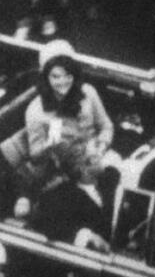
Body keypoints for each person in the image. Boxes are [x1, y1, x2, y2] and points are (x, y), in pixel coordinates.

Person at [22, 39, 115, 180]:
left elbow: (106, 126)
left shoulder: (88, 92)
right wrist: (49, 145)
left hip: (99, 157)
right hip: (66, 174)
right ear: (45, 77)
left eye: (68, 76)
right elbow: (35, 155)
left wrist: (100, 149)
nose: (62, 82)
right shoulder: (35, 111)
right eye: (55, 77)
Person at [31, 138, 123, 252]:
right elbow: (50, 224)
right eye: (94, 157)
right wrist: (87, 236)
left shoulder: (108, 178)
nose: (100, 156)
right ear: (83, 169)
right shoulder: (64, 195)